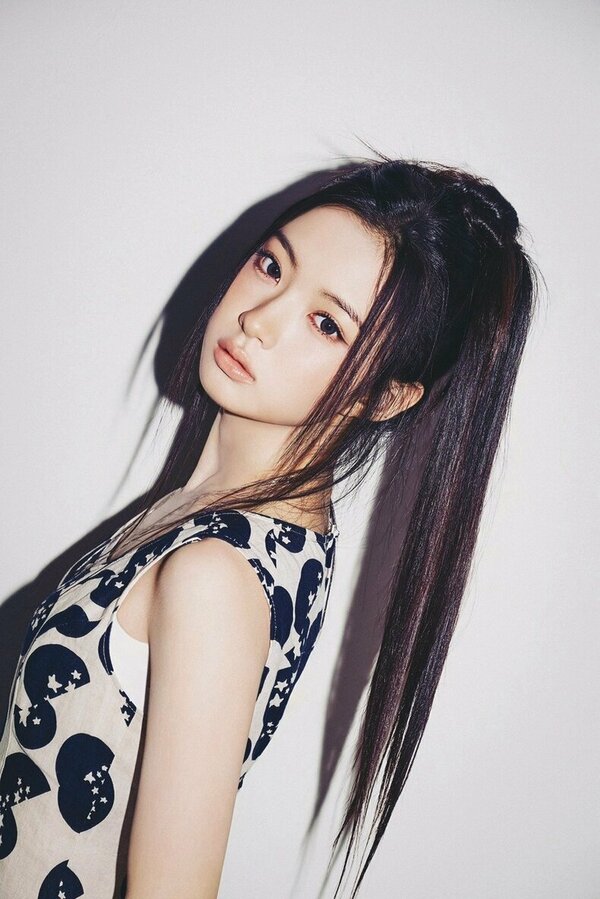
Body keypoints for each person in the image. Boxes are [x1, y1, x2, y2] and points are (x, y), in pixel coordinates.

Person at [0, 151, 540, 899]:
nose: (259, 319)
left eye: (326, 324)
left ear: (384, 397)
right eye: (271, 265)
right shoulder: (241, 527)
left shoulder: (216, 573)